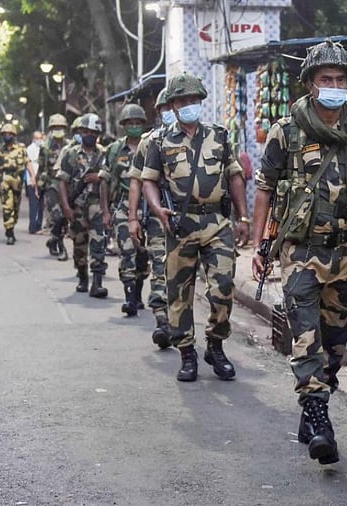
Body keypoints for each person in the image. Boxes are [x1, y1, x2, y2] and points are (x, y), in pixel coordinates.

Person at [250, 40, 347, 466]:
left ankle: (313, 409)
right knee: (306, 338)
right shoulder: (286, 130)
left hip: (346, 253)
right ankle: (319, 419)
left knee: (334, 344)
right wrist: (260, 244)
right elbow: (265, 188)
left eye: (340, 78)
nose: (333, 85)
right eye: (325, 79)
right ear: (310, 84)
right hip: (300, 253)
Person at [142, 72, 250, 382]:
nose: (190, 105)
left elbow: (234, 176)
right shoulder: (160, 141)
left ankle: (215, 345)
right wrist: (156, 208)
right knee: (179, 293)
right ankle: (187, 353)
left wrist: (242, 217)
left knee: (223, 287)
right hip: (180, 226)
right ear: (173, 106)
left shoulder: (218, 135)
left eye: (194, 99)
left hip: (217, 223)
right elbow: (148, 179)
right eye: (183, 100)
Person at [129, 89, 175, 348]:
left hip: (191, 220)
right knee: (160, 266)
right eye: (165, 107)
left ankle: (181, 323)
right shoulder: (151, 141)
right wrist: (133, 217)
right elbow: (137, 182)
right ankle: (162, 321)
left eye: (173, 105)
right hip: (159, 218)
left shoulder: (202, 137)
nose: (170, 111)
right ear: (159, 112)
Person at [56, 113, 112, 297]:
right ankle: (82, 277)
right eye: (85, 131)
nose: (89, 134)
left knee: (98, 243)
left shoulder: (105, 154)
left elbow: (111, 177)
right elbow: (62, 181)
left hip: (98, 206)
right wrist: (66, 208)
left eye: (93, 132)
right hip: (78, 207)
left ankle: (97, 283)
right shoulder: (70, 154)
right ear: (80, 132)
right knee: (79, 245)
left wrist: (100, 177)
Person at [107, 103, 149, 316]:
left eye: (137, 122)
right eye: (130, 123)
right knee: (127, 252)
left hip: (148, 207)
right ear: (124, 125)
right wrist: (106, 211)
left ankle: (139, 294)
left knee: (143, 254)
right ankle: (129, 297)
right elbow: (105, 179)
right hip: (123, 207)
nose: (134, 126)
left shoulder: (151, 145)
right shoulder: (115, 150)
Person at [0, 123, 36, 245]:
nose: (7, 136)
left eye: (9, 134)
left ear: (13, 135)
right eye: (5, 134)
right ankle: (9, 232)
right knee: (7, 207)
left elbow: (28, 163)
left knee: (15, 206)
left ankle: (12, 225)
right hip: (4, 179)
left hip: (17, 180)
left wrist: (33, 177)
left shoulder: (21, 148)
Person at [37, 113, 72, 260]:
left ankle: (53, 240)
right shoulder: (45, 147)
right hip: (51, 186)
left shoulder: (70, 146)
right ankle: (61, 248)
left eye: (60, 127)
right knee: (57, 217)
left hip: (67, 187)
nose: (58, 130)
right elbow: (41, 168)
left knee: (64, 218)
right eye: (55, 127)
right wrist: (38, 185)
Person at [25, 131, 44, 234]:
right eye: (37, 138)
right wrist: (33, 178)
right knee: (34, 205)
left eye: (41, 138)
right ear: (33, 139)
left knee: (41, 205)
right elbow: (29, 165)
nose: (39, 140)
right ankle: (33, 227)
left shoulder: (42, 149)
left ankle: (39, 226)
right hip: (32, 181)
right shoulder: (30, 149)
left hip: (41, 181)